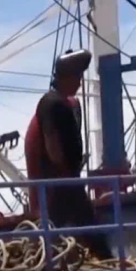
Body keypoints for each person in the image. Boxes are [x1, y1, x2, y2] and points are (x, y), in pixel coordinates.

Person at [24, 49, 112, 259]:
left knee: (75, 226)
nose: (80, 83)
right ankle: (108, 262)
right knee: (82, 226)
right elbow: (52, 144)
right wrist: (64, 171)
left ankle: (103, 260)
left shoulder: (65, 104)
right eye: (77, 77)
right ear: (66, 77)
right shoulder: (51, 104)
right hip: (59, 184)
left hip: (67, 182)